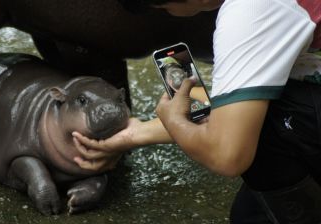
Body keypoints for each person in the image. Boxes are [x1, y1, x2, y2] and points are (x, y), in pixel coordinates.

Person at [72, 0, 321, 223]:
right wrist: (137, 133)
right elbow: (235, 112)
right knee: (249, 214)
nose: (169, 14)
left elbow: (227, 155)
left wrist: (174, 122)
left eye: (163, 7)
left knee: (263, 124)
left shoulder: (248, 13)